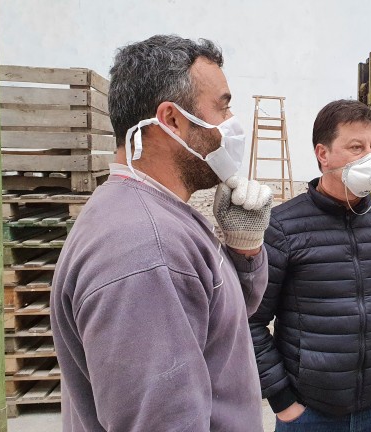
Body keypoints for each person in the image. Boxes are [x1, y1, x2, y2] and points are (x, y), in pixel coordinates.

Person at [51, 35, 273, 432]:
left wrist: (244, 247)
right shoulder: (147, 249)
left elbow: (218, 320)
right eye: (222, 107)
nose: (231, 123)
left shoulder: (149, 213)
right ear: (171, 119)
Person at [249, 99, 371, 431]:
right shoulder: (282, 228)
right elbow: (251, 320)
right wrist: (282, 400)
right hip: (309, 413)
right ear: (323, 154)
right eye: (356, 147)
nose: (370, 158)